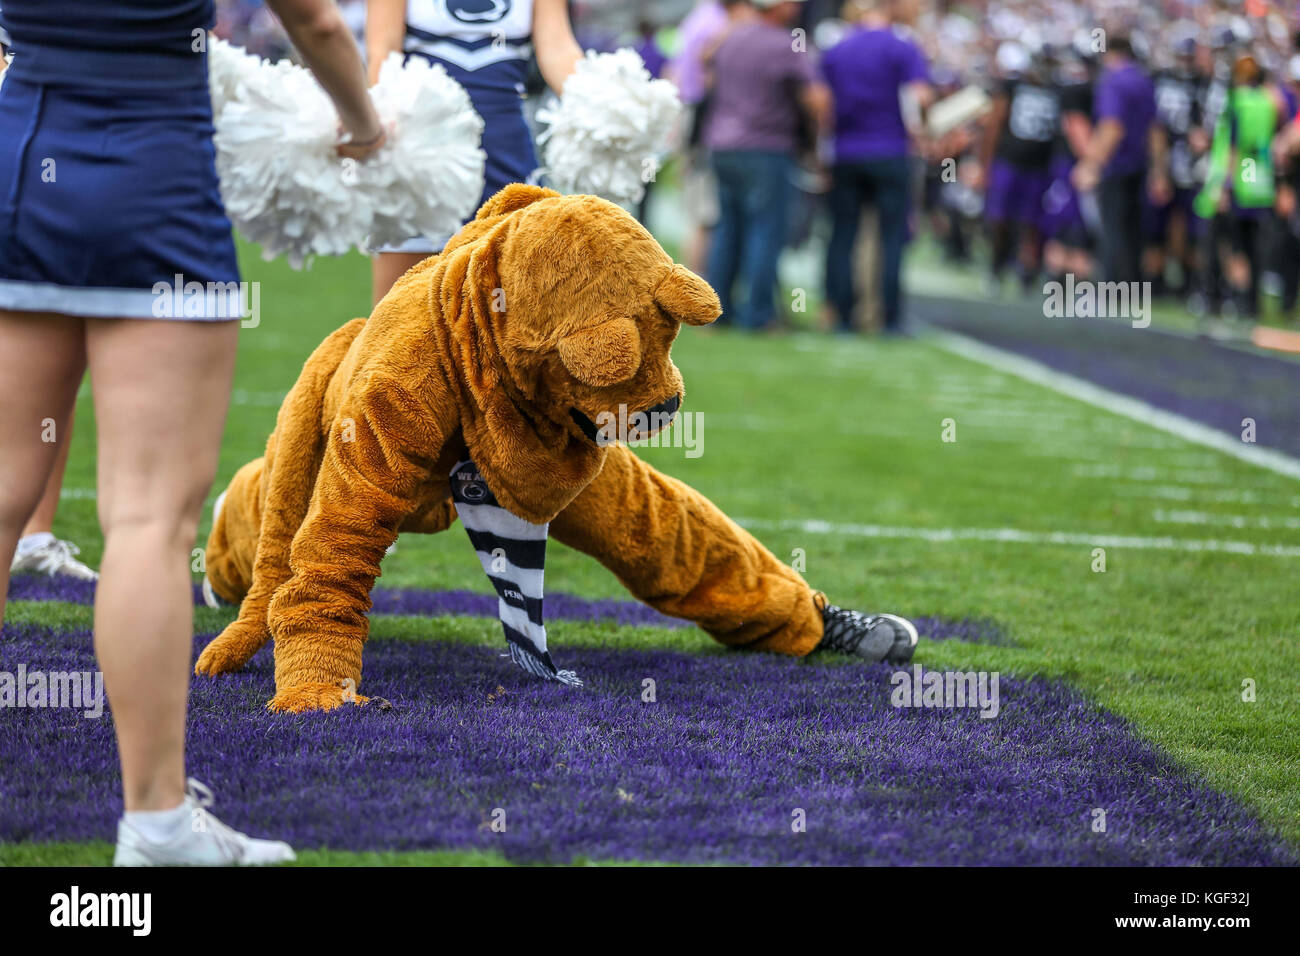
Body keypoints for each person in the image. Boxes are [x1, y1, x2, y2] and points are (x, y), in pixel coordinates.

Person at [0, 0, 384, 866]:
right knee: (146, 519)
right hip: (157, 188)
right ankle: (157, 825)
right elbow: (317, 21)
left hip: (21, 164)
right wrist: (363, 124)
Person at [364, 0, 586, 305]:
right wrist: (383, 119)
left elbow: (557, 48)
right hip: (421, 153)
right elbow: (383, 53)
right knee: (400, 314)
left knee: (508, 316)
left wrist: (599, 102)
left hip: (505, 155)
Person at [703, 0, 829, 330]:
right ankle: (757, 314)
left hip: (722, 145)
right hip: (765, 147)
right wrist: (816, 144)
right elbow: (817, 100)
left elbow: (706, 74)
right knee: (765, 231)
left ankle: (718, 311)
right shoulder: (785, 44)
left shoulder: (730, 38)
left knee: (728, 229)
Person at [821, 0, 930, 334]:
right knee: (892, 237)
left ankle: (841, 316)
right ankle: (890, 318)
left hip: (846, 151)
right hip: (890, 150)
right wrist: (923, 129)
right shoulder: (903, 45)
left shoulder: (837, 47)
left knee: (842, 235)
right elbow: (921, 97)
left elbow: (823, 102)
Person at [1072, 34, 1156, 285]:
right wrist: (1159, 169)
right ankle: (1132, 286)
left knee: (1112, 229)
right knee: (1132, 230)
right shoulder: (1143, 80)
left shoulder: (1113, 81)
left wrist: (1091, 164)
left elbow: (1112, 127)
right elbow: (1155, 128)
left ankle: (1111, 287)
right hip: (1139, 164)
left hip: (1116, 165)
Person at [979, 41, 1059, 295]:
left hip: (1039, 167)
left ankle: (1026, 271)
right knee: (1000, 218)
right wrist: (984, 164)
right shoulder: (1013, 86)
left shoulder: (1058, 90)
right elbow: (994, 125)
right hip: (1008, 162)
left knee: (1031, 222)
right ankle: (996, 265)